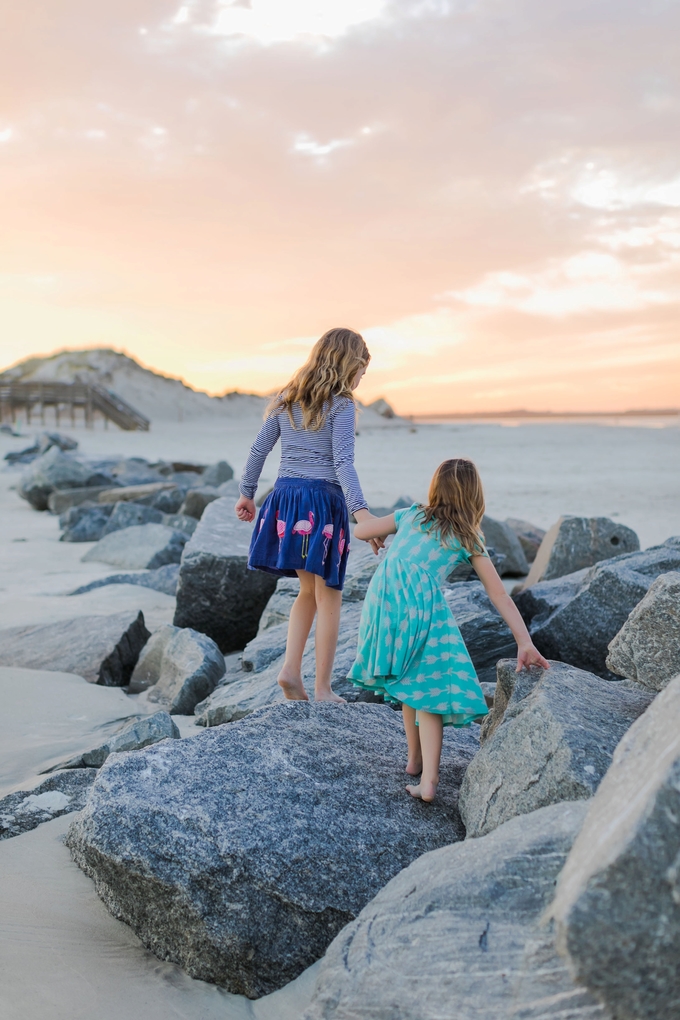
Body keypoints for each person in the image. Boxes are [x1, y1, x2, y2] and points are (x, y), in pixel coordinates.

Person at [348, 457, 550, 803]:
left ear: (435, 489)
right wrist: (524, 640)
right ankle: (428, 782)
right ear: (474, 496)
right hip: (421, 605)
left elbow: (360, 530)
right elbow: (498, 592)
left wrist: (375, 531)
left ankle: (414, 761)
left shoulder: (411, 515)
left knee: (407, 678)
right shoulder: (467, 537)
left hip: (384, 601)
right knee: (428, 688)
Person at [235, 327, 379, 704]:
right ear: (351, 363)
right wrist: (361, 513)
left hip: (285, 499)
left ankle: (290, 670)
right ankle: (322, 688)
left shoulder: (286, 399)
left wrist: (247, 494)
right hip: (322, 503)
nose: (363, 376)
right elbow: (343, 463)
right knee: (329, 593)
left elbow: (258, 450)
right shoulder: (343, 405)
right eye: (363, 368)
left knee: (307, 591)